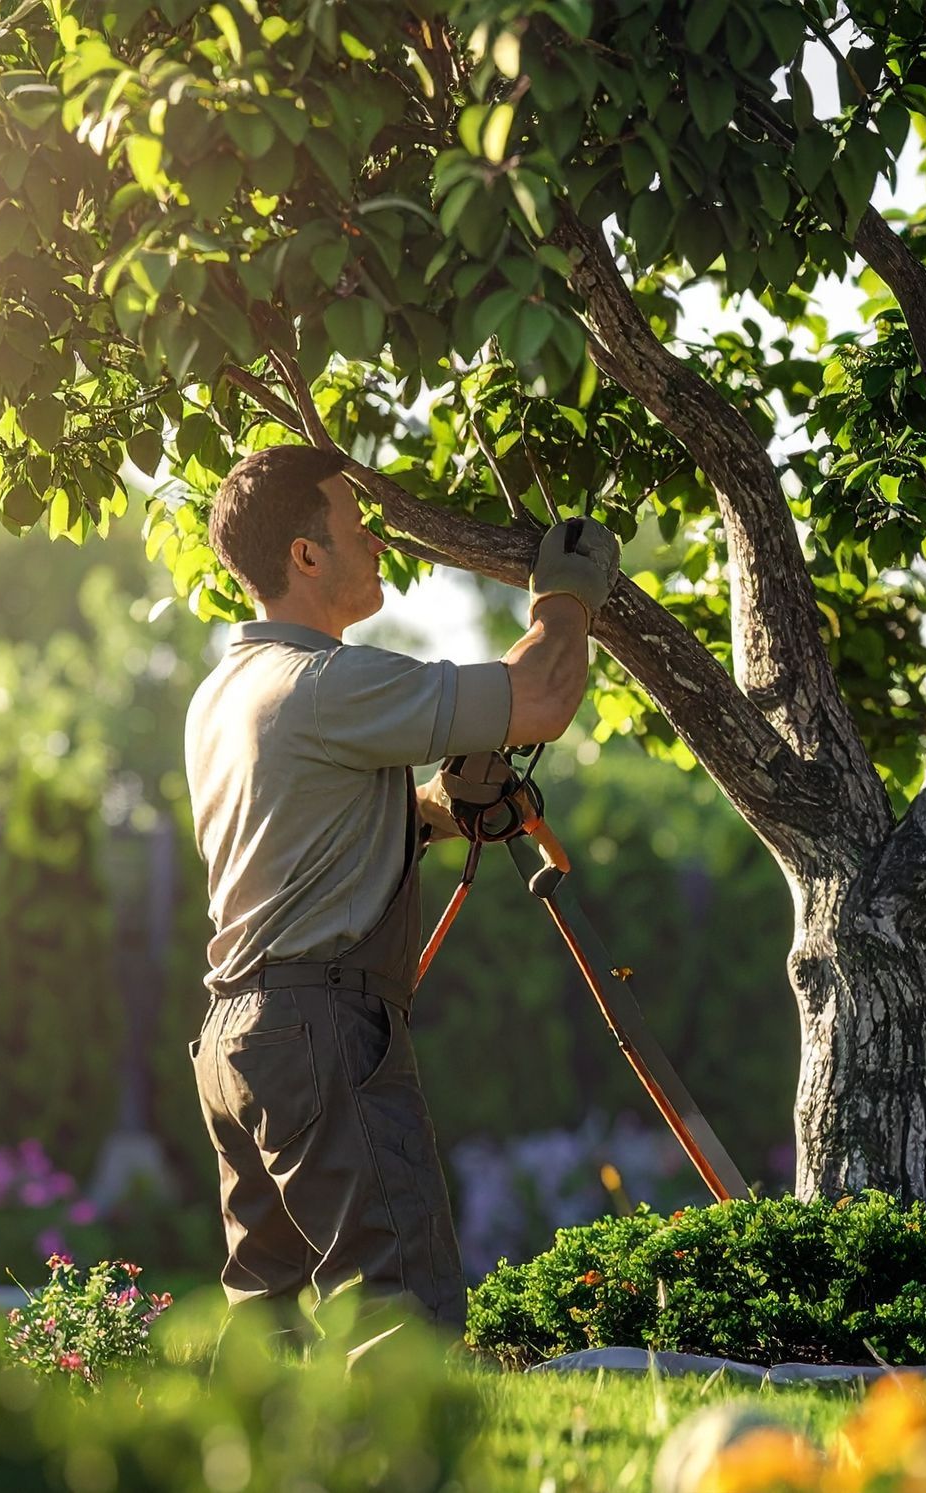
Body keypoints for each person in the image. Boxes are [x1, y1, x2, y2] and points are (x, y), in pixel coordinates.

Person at [182, 442, 621, 1330]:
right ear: (306, 555)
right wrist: (567, 594)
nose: (378, 542)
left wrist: (443, 807)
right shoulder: (325, 683)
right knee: (399, 1315)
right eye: (356, 524)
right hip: (319, 1031)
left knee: (268, 1325)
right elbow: (540, 697)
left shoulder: (228, 692)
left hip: (238, 1037)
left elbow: (313, 827)